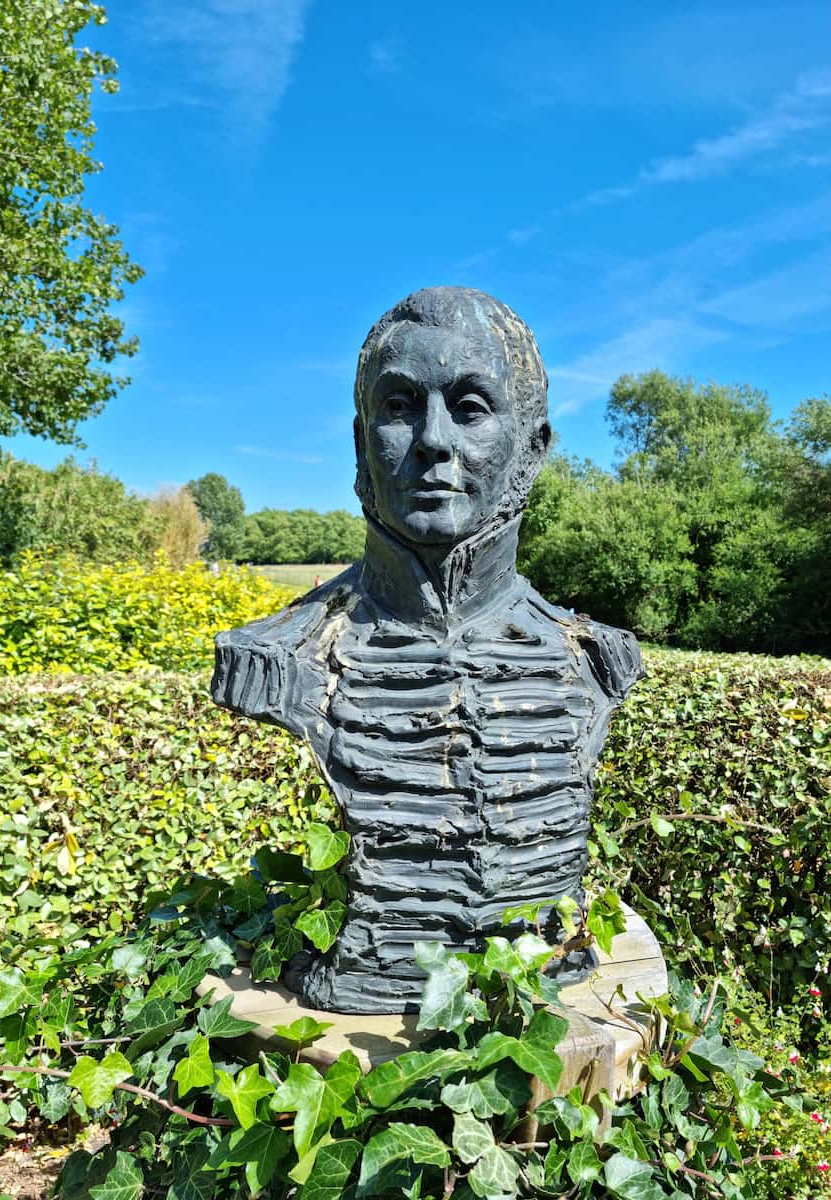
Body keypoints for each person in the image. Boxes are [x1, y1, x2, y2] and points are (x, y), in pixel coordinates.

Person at [213, 287, 642, 1014]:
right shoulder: (273, 658)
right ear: (360, 445)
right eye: (402, 406)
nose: (435, 441)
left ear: (531, 450)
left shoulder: (597, 659)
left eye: (470, 408)